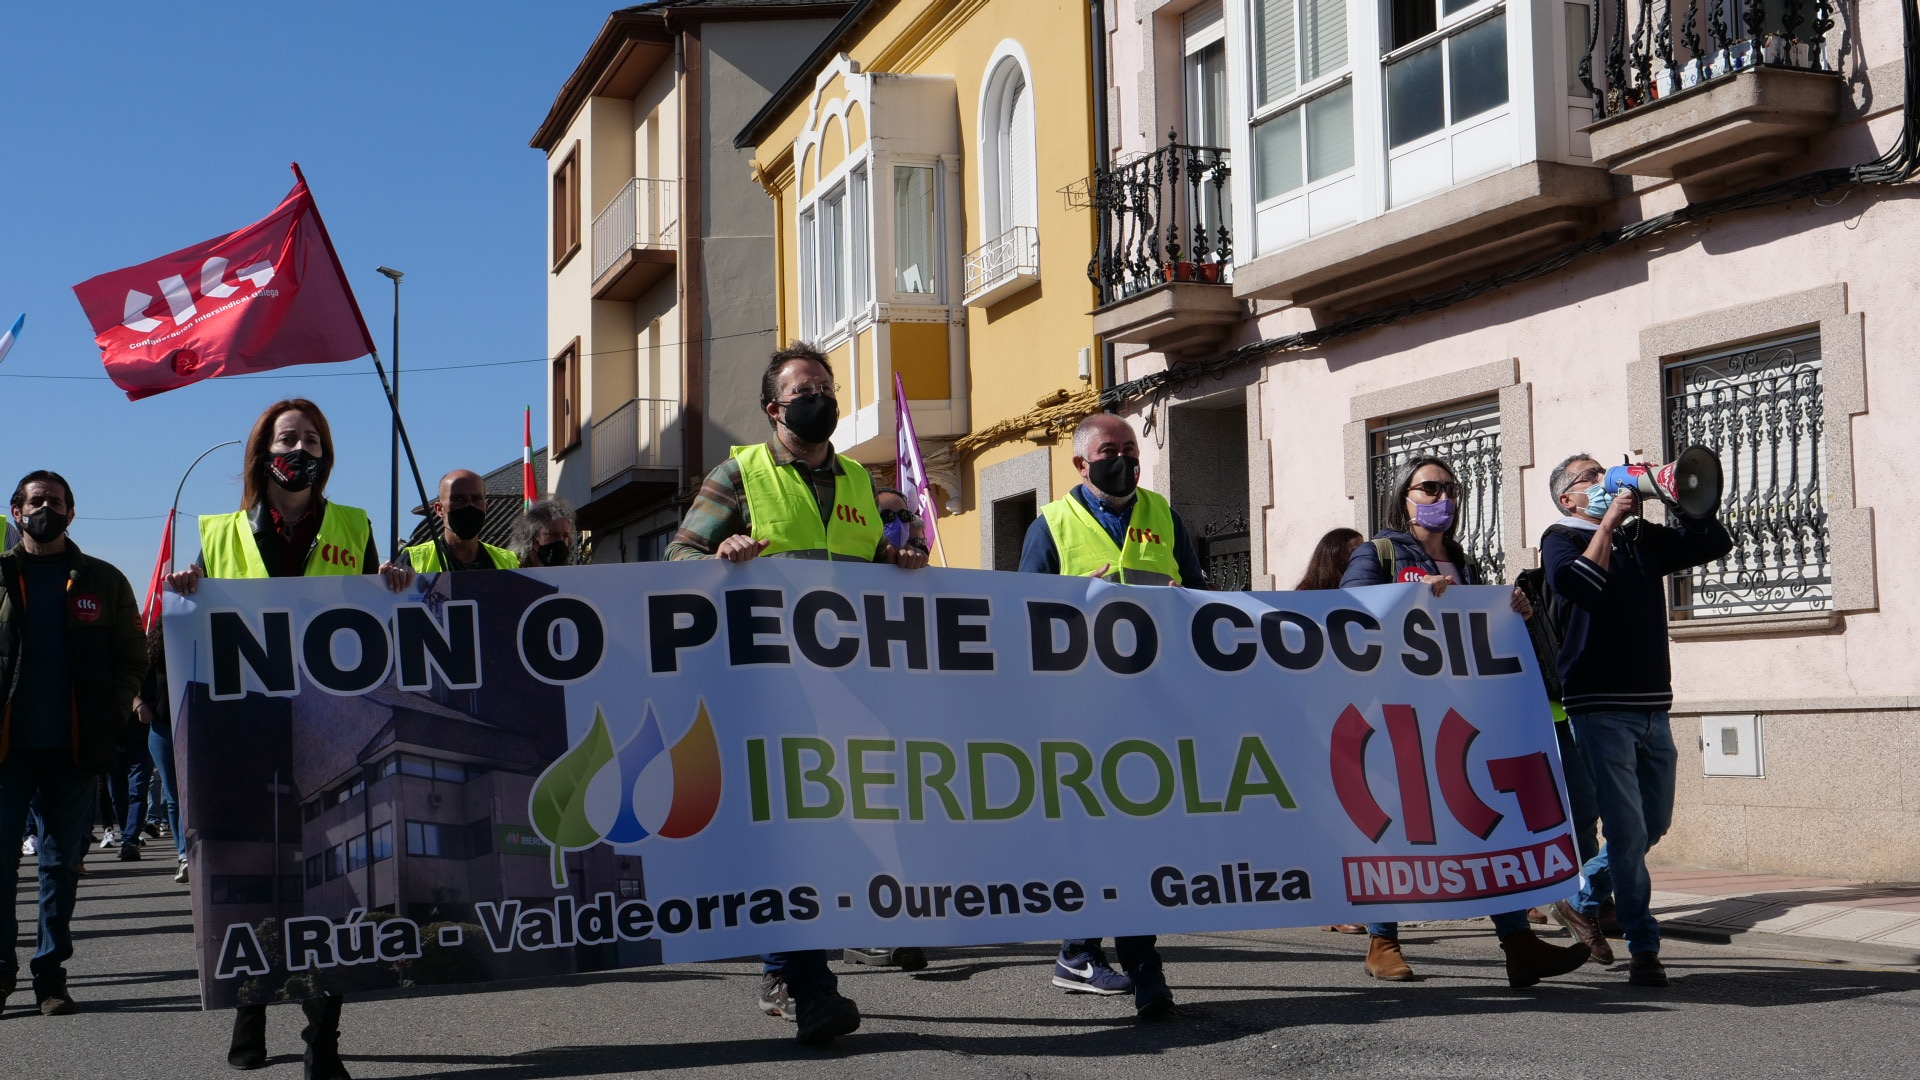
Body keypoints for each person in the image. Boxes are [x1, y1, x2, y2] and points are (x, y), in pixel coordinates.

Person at [666, 342, 926, 1044]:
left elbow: (869, 563)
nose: (821, 400)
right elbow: (677, 558)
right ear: (773, 409)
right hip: (769, 692)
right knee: (792, 831)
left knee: (832, 828)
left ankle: (784, 969)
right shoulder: (739, 475)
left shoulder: (860, 481)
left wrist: (898, 559)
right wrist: (720, 555)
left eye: (827, 389)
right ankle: (811, 987)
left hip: (852, 689)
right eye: (804, 392)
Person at [168, 399, 413, 1079]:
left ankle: (322, 1040)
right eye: (286, 438)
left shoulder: (354, 525)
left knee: (328, 888)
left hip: (324, 725)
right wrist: (188, 586)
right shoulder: (220, 532)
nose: (298, 449)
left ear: (325, 455)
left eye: (311, 440)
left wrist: (392, 581)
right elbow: (193, 616)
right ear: (263, 452)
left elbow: (376, 609)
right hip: (245, 730)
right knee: (260, 883)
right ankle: (249, 1011)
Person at [1340, 456, 1592, 988]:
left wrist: (1515, 610)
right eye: (1430, 487)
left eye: (1450, 488)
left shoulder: (1464, 562)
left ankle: (1518, 944)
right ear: (1404, 497)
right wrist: (1411, 595)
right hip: (1398, 710)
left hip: (1462, 712)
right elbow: (1350, 611)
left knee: (1485, 824)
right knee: (1399, 823)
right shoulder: (1378, 552)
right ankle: (1383, 941)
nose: (1443, 497)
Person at [1018, 412, 1204, 1020]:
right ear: (1081, 464)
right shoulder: (1050, 525)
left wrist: (1182, 607)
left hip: (1151, 704)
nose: (1123, 459)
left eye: (1130, 448)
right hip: (1082, 710)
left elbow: (1199, 598)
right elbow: (1023, 615)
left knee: (1139, 834)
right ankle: (1095, 955)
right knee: (1094, 834)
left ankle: (1133, 963)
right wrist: (1073, 605)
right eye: (1109, 451)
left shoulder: (1164, 516)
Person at [1543, 452, 1731, 988]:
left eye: (1603, 470)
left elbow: (1714, 543)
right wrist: (1607, 522)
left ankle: (1582, 898)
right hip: (1598, 706)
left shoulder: (1639, 538)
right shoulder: (1561, 538)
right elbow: (1578, 584)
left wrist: (1680, 500)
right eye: (1589, 476)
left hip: (1652, 704)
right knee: (1626, 832)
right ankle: (1645, 947)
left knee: (1654, 823)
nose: (1602, 479)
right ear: (1568, 498)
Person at [0, 470, 148, 1016]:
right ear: (17, 511)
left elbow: (133, 655)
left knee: (61, 866)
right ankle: (1, 972)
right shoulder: (0, 574)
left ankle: (50, 977)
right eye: (37, 501)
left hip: (75, 749)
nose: (47, 509)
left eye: (57, 502)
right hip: (6, 750)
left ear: (71, 512)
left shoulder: (103, 580)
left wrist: (111, 710)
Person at [1294, 526, 1367, 934]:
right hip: (1317, 722)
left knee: (1355, 814)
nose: (1363, 560)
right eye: (1356, 553)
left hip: (1357, 718)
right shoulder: (1305, 601)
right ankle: (1333, 906)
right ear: (1335, 557)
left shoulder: (1368, 597)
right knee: (1329, 815)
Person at [134, 625, 189, 883]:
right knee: (174, 795)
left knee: (190, 793)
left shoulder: (197, 653)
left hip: (194, 728)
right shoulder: (154, 661)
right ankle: (184, 855)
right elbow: (132, 689)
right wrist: (139, 706)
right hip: (163, 731)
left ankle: (194, 852)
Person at [395, 470, 519, 571]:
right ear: (439, 509)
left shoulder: (509, 562)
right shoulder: (413, 561)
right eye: (459, 499)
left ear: (486, 507)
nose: (469, 506)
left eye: (476, 499)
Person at [513, 495, 578, 568]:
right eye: (553, 534)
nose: (561, 540)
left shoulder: (572, 573)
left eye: (565, 536)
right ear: (532, 537)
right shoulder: (512, 568)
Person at [1294, 527, 1362, 591]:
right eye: (1355, 551)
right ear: (1337, 554)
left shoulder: (1362, 584)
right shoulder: (1306, 592)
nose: (1363, 554)